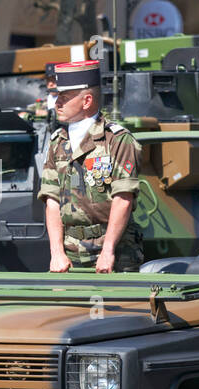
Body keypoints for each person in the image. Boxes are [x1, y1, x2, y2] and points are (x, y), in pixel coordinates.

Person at [39, 60, 143, 273]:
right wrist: (56, 252)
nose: (57, 103)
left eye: (64, 98)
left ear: (86, 101)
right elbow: (52, 200)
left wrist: (108, 251)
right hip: (70, 255)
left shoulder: (117, 140)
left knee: (116, 306)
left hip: (114, 253)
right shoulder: (58, 141)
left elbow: (123, 199)